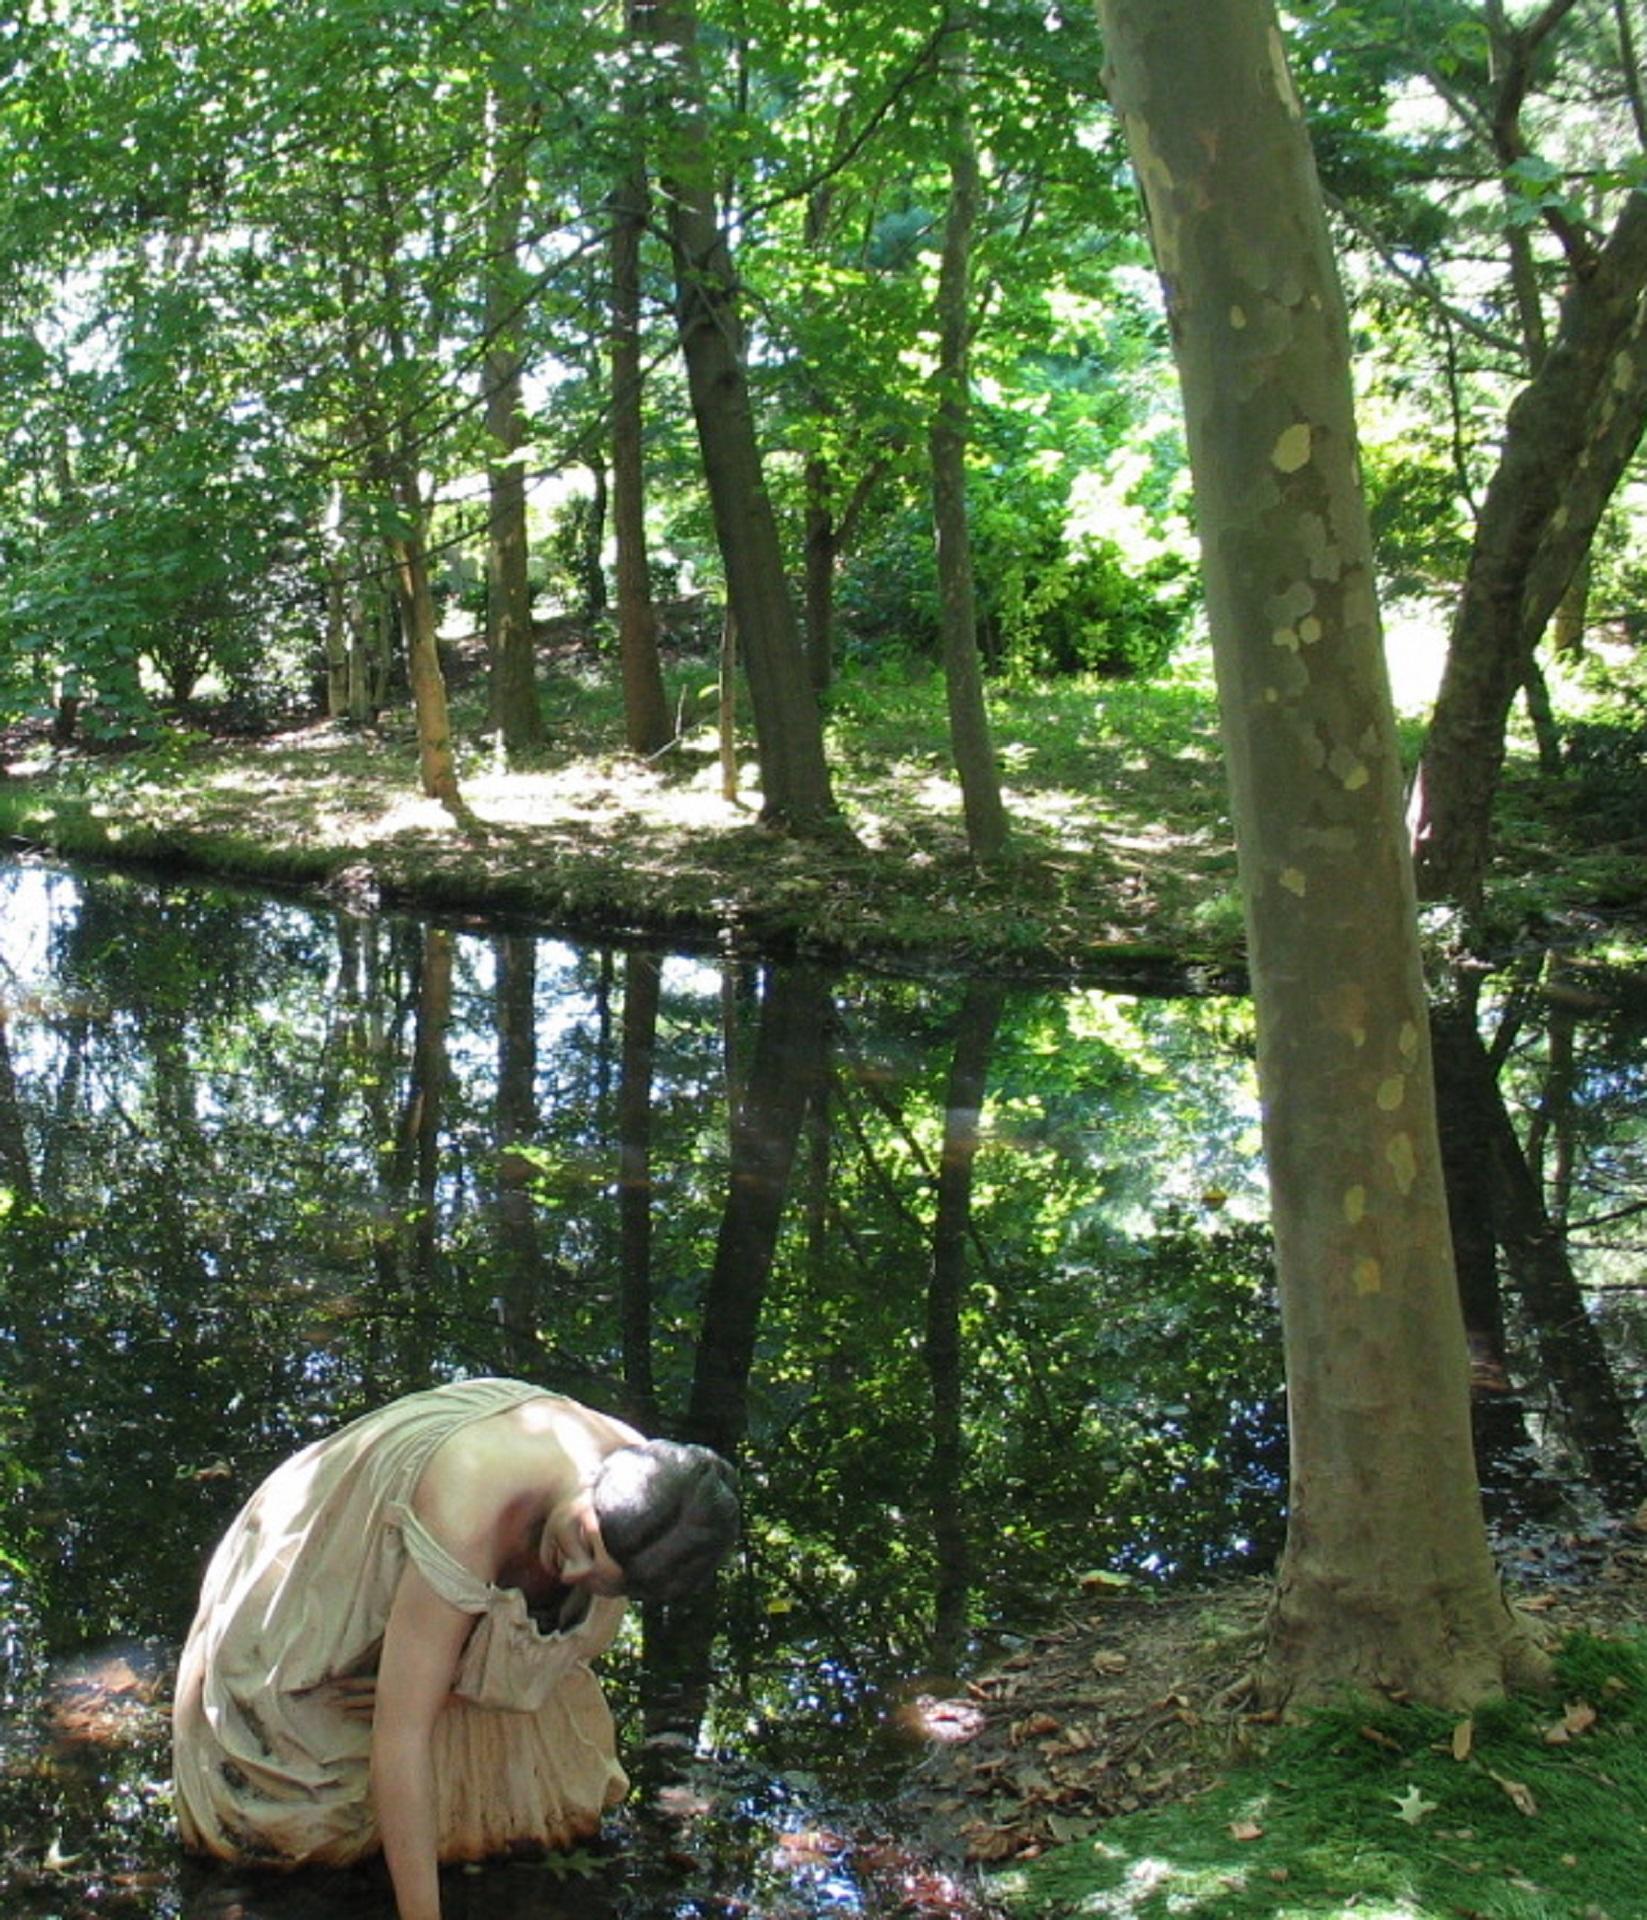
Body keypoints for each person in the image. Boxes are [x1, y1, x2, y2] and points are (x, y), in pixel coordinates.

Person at [172, 1377, 739, 1920]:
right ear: (593, 1481)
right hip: (331, 1566)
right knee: (292, 1826)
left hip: (460, 1561)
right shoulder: (472, 1499)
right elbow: (401, 1736)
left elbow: (576, 1637)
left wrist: (450, 1686)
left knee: (531, 1797)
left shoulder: (662, 1495)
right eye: (585, 1542)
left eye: (606, 1580)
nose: (575, 1570)